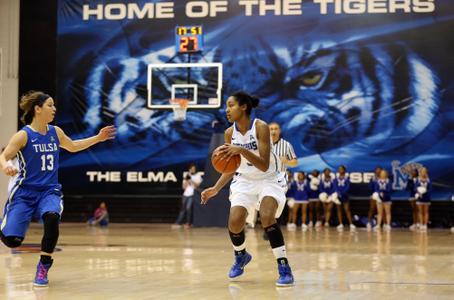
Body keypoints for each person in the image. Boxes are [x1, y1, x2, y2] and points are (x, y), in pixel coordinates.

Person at [0, 91, 116, 287]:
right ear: (37, 109)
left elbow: (72, 146)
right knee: (12, 241)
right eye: (50, 105)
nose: (54, 109)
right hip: (25, 192)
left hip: (49, 190)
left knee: (52, 217)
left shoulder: (56, 132)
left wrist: (97, 138)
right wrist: (5, 166)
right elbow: (4, 156)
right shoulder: (23, 135)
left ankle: (43, 266)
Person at [200, 91, 294, 286]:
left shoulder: (260, 127)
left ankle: (284, 266)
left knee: (267, 217)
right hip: (244, 180)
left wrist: (242, 149)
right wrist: (216, 188)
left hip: (269, 178)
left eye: (231, 105)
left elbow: (264, 165)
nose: (227, 110)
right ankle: (241, 255)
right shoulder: (229, 133)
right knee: (234, 221)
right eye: (226, 106)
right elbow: (231, 165)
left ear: (243, 107)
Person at [173, 163, 203, 229]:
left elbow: (197, 186)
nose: (192, 170)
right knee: (183, 209)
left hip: (192, 195)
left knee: (188, 208)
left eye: (193, 169)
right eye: (191, 169)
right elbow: (183, 187)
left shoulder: (198, 176)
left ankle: (188, 223)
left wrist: (191, 180)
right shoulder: (187, 175)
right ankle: (178, 223)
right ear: (189, 169)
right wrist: (187, 180)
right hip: (185, 195)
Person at [333, 165, 355, 231]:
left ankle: (351, 224)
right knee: (339, 209)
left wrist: (342, 193)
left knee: (347, 209)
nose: (340, 170)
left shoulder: (347, 178)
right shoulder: (335, 179)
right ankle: (340, 223)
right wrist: (338, 193)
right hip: (338, 196)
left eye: (342, 169)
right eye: (339, 169)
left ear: (344, 170)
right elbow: (335, 187)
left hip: (345, 195)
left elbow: (348, 187)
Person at [415, 167, 432, 232]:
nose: (423, 172)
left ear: (426, 172)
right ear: (420, 172)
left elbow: (430, 189)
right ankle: (421, 224)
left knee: (426, 211)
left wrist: (424, 191)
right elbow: (415, 188)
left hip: (426, 197)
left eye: (425, 171)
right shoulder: (418, 180)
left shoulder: (428, 180)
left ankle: (425, 224)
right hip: (420, 198)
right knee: (420, 211)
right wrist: (419, 192)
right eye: (422, 171)